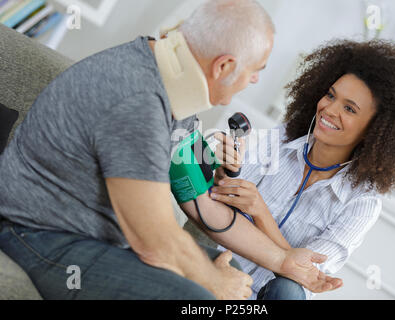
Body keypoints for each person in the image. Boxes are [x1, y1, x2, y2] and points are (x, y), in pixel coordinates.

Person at [0, 0, 341, 300]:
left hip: (96, 239)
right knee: (200, 295)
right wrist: (212, 283)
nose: (253, 81)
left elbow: (199, 200)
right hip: (37, 235)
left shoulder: (175, 95)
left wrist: (281, 259)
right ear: (223, 66)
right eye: (255, 71)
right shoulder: (136, 101)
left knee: (227, 267)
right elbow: (154, 238)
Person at [206, 39, 395, 299]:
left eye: (349, 108)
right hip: (222, 267)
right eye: (330, 95)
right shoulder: (283, 137)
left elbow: (309, 275)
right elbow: (226, 199)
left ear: (375, 131)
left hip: (269, 295)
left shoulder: (362, 203)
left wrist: (260, 211)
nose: (329, 109)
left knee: (290, 291)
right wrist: (228, 172)